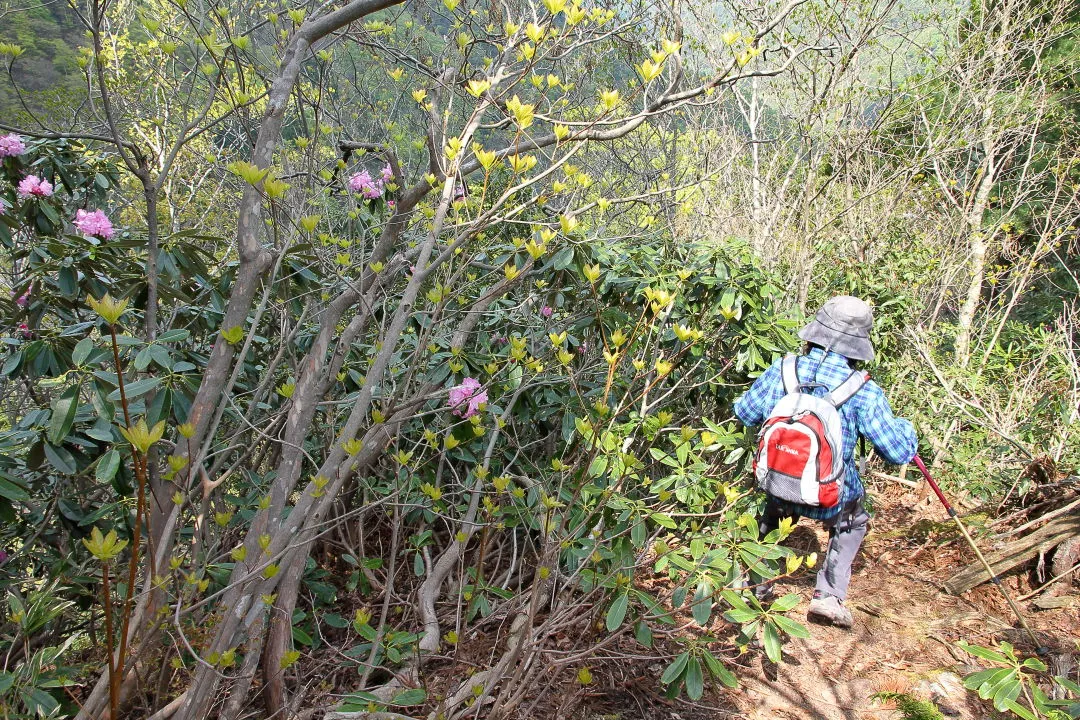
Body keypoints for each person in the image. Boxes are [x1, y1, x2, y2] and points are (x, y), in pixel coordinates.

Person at [733, 296, 918, 628]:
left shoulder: (783, 369)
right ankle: (829, 597)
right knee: (853, 521)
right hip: (831, 495)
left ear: (814, 333)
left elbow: (744, 413)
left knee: (774, 510)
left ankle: (752, 584)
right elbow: (899, 452)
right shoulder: (863, 390)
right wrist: (907, 428)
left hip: (777, 482)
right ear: (858, 345)